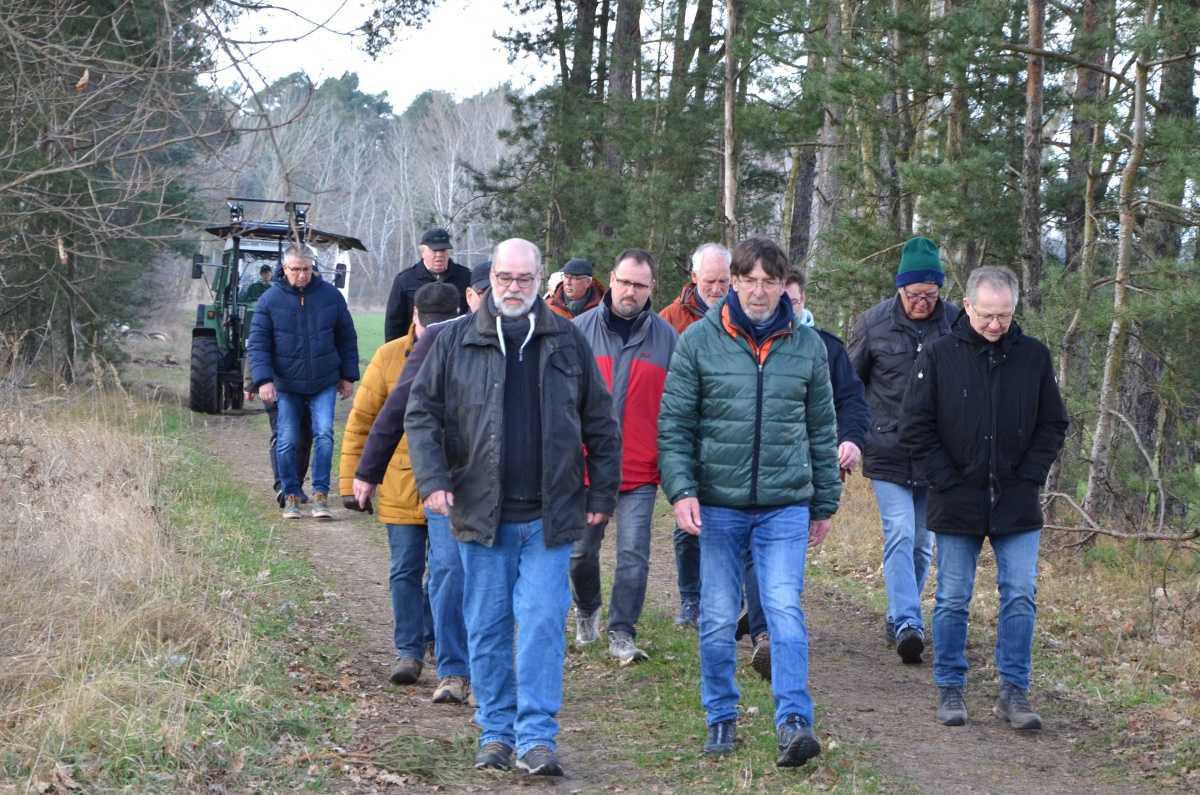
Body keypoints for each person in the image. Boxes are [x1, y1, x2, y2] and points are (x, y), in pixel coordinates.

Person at [406, 238, 621, 777]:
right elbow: (421, 414)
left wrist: (601, 494)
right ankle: (496, 733)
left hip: (550, 518)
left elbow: (601, 422)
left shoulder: (568, 342)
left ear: (539, 280)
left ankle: (538, 738)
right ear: (488, 282)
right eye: (504, 278)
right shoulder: (453, 342)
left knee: (545, 623)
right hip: (481, 516)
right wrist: (433, 479)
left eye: (525, 279)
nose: (514, 288)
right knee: (487, 626)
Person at [657, 237, 841, 766]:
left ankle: (793, 721)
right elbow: (675, 424)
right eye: (748, 280)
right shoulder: (698, 340)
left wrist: (824, 501)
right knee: (716, 616)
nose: (759, 292)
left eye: (770, 281)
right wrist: (682, 490)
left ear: (785, 285)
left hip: (786, 503)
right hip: (716, 503)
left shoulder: (806, 346)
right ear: (731, 282)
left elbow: (821, 426)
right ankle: (720, 715)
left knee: (783, 608)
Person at [899, 266, 1067, 730]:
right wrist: (944, 478)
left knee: (1020, 594)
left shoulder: (1034, 356)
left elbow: (1054, 423)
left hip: (1016, 499)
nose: (996, 324)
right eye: (987, 315)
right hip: (956, 498)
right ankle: (950, 686)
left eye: (1004, 316)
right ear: (968, 306)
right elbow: (915, 425)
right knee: (953, 597)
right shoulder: (936, 355)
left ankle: (1014, 690)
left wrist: (1031, 473)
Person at [339, 282, 467, 698]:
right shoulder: (389, 356)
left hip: (448, 488)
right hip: (397, 481)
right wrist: (350, 480)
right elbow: (364, 420)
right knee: (405, 571)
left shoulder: (467, 354)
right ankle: (409, 652)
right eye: (428, 321)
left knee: (446, 573)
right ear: (414, 316)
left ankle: (443, 652)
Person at [742, 266, 870, 678]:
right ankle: (767, 632)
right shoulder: (745, 344)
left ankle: (776, 625)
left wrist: (849, 440)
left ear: (802, 301)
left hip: (808, 467)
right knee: (753, 549)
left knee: (786, 552)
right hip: (750, 472)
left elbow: (852, 400)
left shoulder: (827, 349)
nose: (786, 309)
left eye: (793, 302)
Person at [847, 236, 960, 664]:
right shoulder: (872, 323)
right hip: (887, 448)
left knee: (922, 541)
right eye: (914, 295)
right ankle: (910, 621)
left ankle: (899, 615)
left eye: (929, 296)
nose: (921, 303)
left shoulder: (955, 322)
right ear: (900, 289)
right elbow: (851, 385)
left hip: (937, 451)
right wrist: (852, 436)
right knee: (899, 532)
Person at [569, 249, 677, 664]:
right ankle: (587, 608)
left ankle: (622, 632)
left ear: (651, 288)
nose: (630, 291)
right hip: (585, 468)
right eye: (624, 281)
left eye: (639, 285)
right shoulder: (577, 332)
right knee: (580, 551)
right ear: (610, 280)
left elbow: (678, 407)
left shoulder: (668, 340)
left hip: (639, 468)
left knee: (634, 555)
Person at [247, 245, 358, 519]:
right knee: (286, 439)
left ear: (313, 268)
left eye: (306, 269)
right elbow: (258, 344)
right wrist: (263, 380)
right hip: (286, 383)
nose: (301, 275)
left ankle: (321, 495)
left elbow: (347, 337)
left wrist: (347, 376)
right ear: (285, 269)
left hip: (323, 380)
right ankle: (291, 494)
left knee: (324, 435)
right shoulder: (270, 300)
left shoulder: (330, 296)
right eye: (295, 269)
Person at [659, 242, 732, 628]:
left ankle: (728, 598)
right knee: (690, 520)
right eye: (710, 281)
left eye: (724, 281)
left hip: (731, 433)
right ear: (693, 278)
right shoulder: (670, 319)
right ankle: (691, 599)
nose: (717, 288)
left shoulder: (744, 316)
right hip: (689, 432)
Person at [384, 227, 471, 341]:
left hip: (455, 346)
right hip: (417, 347)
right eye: (434, 250)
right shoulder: (405, 280)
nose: (439, 254)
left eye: (443, 250)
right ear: (423, 252)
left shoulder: (465, 277)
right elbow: (394, 322)